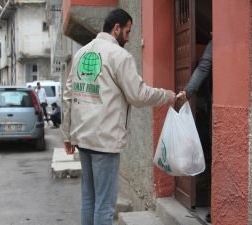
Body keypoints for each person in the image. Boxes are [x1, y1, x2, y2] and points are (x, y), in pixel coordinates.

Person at [62, 8, 176, 225]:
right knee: (104, 206)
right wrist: (168, 96)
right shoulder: (119, 56)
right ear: (116, 29)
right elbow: (138, 95)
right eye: (128, 31)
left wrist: (67, 135)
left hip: (83, 139)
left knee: (89, 200)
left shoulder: (81, 53)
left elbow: (68, 95)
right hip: (104, 141)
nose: (129, 37)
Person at [177, 40, 212, 223]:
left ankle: (212, 205)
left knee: (213, 156)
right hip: (208, 108)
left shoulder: (214, 43)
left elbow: (204, 67)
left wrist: (187, 92)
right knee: (211, 155)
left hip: (210, 109)